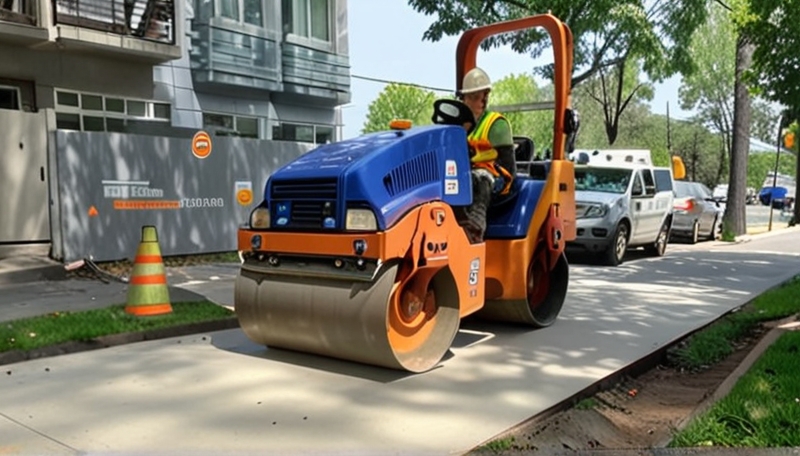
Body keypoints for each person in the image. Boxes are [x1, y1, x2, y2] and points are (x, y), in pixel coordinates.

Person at [456, 67, 516, 243]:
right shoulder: (458, 125)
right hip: (467, 174)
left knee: (480, 178)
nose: (480, 102)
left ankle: (474, 229)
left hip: (495, 178)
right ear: (463, 99)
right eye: (473, 97)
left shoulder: (496, 125)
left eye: (481, 97)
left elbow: (508, 167)